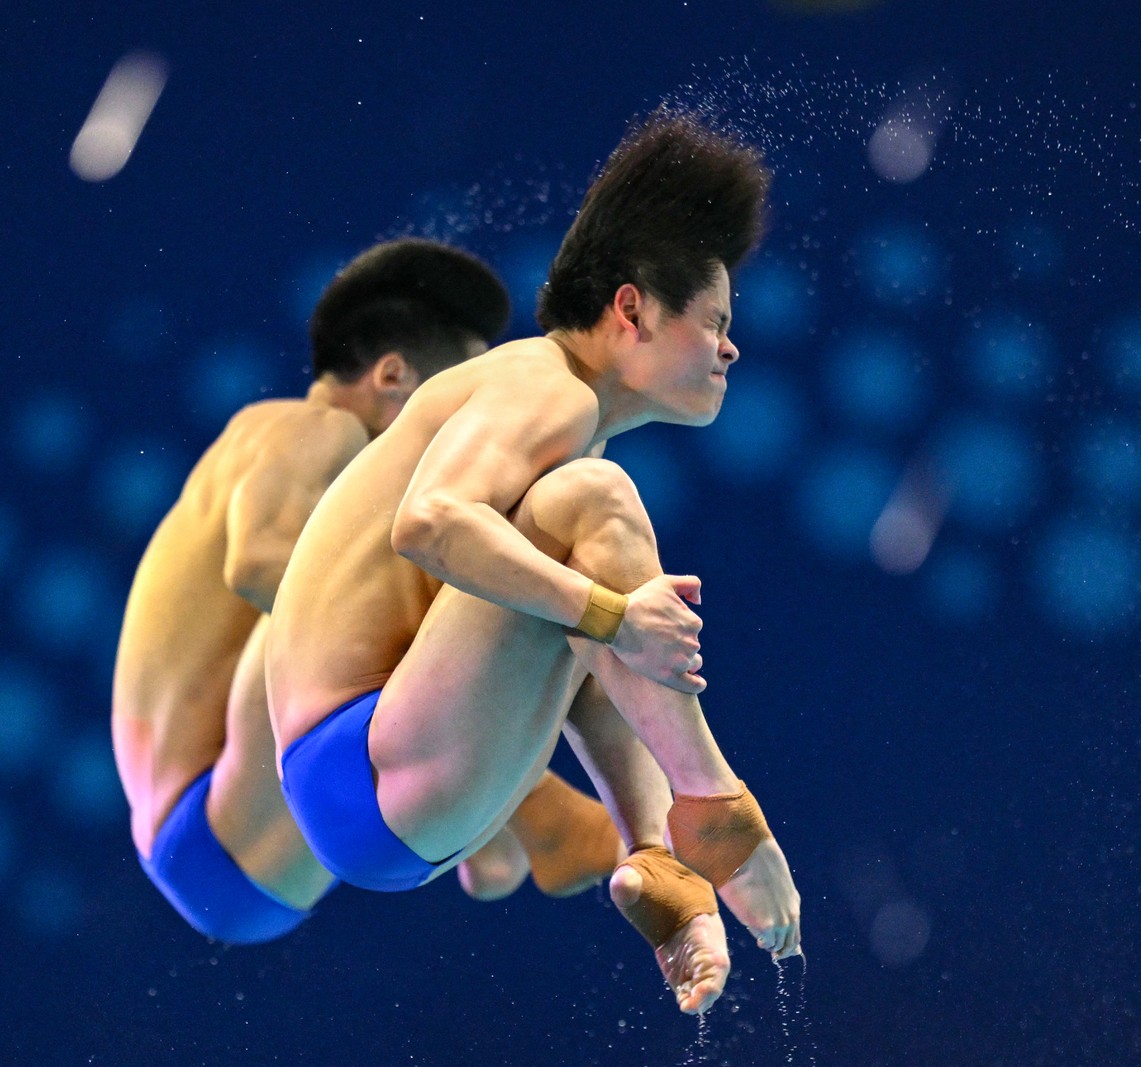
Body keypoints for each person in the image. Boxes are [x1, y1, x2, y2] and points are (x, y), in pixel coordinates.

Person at [266, 109, 802, 1014]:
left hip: (379, 780)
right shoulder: (547, 386)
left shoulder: (552, 410)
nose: (730, 345)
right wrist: (613, 615)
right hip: (360, 761)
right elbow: (429, 522)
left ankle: (661, 859)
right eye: (715, 320)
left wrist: (606, 617)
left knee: (582, 574)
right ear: (631, 309)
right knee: (593, 513)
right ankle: (714, 804)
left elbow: (577, 635)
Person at [112, 238, 623, 945]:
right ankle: (539, 813)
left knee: (426, 553)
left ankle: (505, 825)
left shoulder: (281, 454)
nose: (478, 422)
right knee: (413, 550)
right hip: (210, 820)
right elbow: (258, 567)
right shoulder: (308, 425)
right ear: (392, 376)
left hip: (215, 842)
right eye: (459, 396)